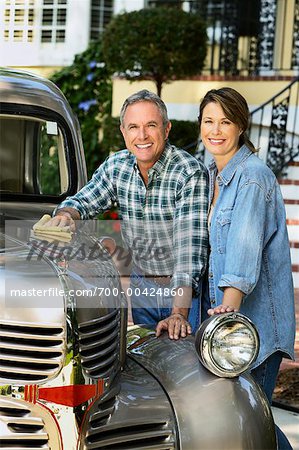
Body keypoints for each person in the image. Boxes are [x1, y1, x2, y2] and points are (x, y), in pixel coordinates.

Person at [45, 89, 209, 339]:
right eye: (133, 127)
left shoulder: (189, 173)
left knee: (184, 367)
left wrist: (179, 313)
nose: (141, 135)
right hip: (143, 286)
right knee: (146, 364)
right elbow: (83, 201)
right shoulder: (117, 166)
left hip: (184, 293)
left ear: (166, 129)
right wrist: (67, 214)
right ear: (123, 132)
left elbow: (189, 252)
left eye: (151, 125)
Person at [198, 87, 295, 449]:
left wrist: (229, 311)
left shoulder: (252, 177)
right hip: (227, 325)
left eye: (226, 121)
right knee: (245, 422)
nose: (216, 130)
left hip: (251, 327)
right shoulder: (212, 175)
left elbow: (243, 245)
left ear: (241, 126)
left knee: (251, 424)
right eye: (209, 121)